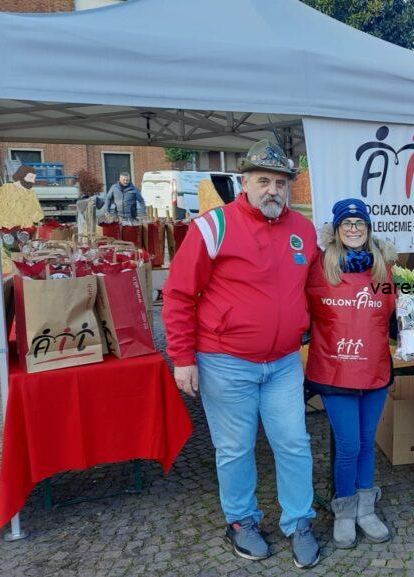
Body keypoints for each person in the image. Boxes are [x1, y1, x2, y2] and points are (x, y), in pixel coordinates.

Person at [163, 139, 321, 568]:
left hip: (285, 362)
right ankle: (241, 521)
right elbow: (178, 295)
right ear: (244, 183)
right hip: (225, 360)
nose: (273, 190)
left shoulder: (303, 230)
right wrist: (182, 358)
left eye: (281, 182)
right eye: (263, 181)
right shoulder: (212, 227)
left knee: (293, 442)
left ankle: (299, 521)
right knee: (234, 449)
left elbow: (318, 285)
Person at [304, 199, 396, 550]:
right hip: (335, 369)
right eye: (348, 223)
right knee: (348, 444)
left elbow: (395, 316)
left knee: (367, 442)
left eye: (360, 223)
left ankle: (365, 509)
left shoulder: (383, 268)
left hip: (373, 368)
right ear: (337, 228)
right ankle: (344, 511)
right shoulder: (320, 264)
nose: (354, 228)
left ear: (369, 228)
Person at [0, 164, 45, 274]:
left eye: (34, 178)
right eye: (31, 177)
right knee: (9, 256)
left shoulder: (31, 193)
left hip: (26, 232)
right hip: (8, 230)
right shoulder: (5, 189)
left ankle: (24, 277)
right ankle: (11, 278)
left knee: (26, 257)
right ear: (22, 175)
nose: (33, 180)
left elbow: (37, 214)